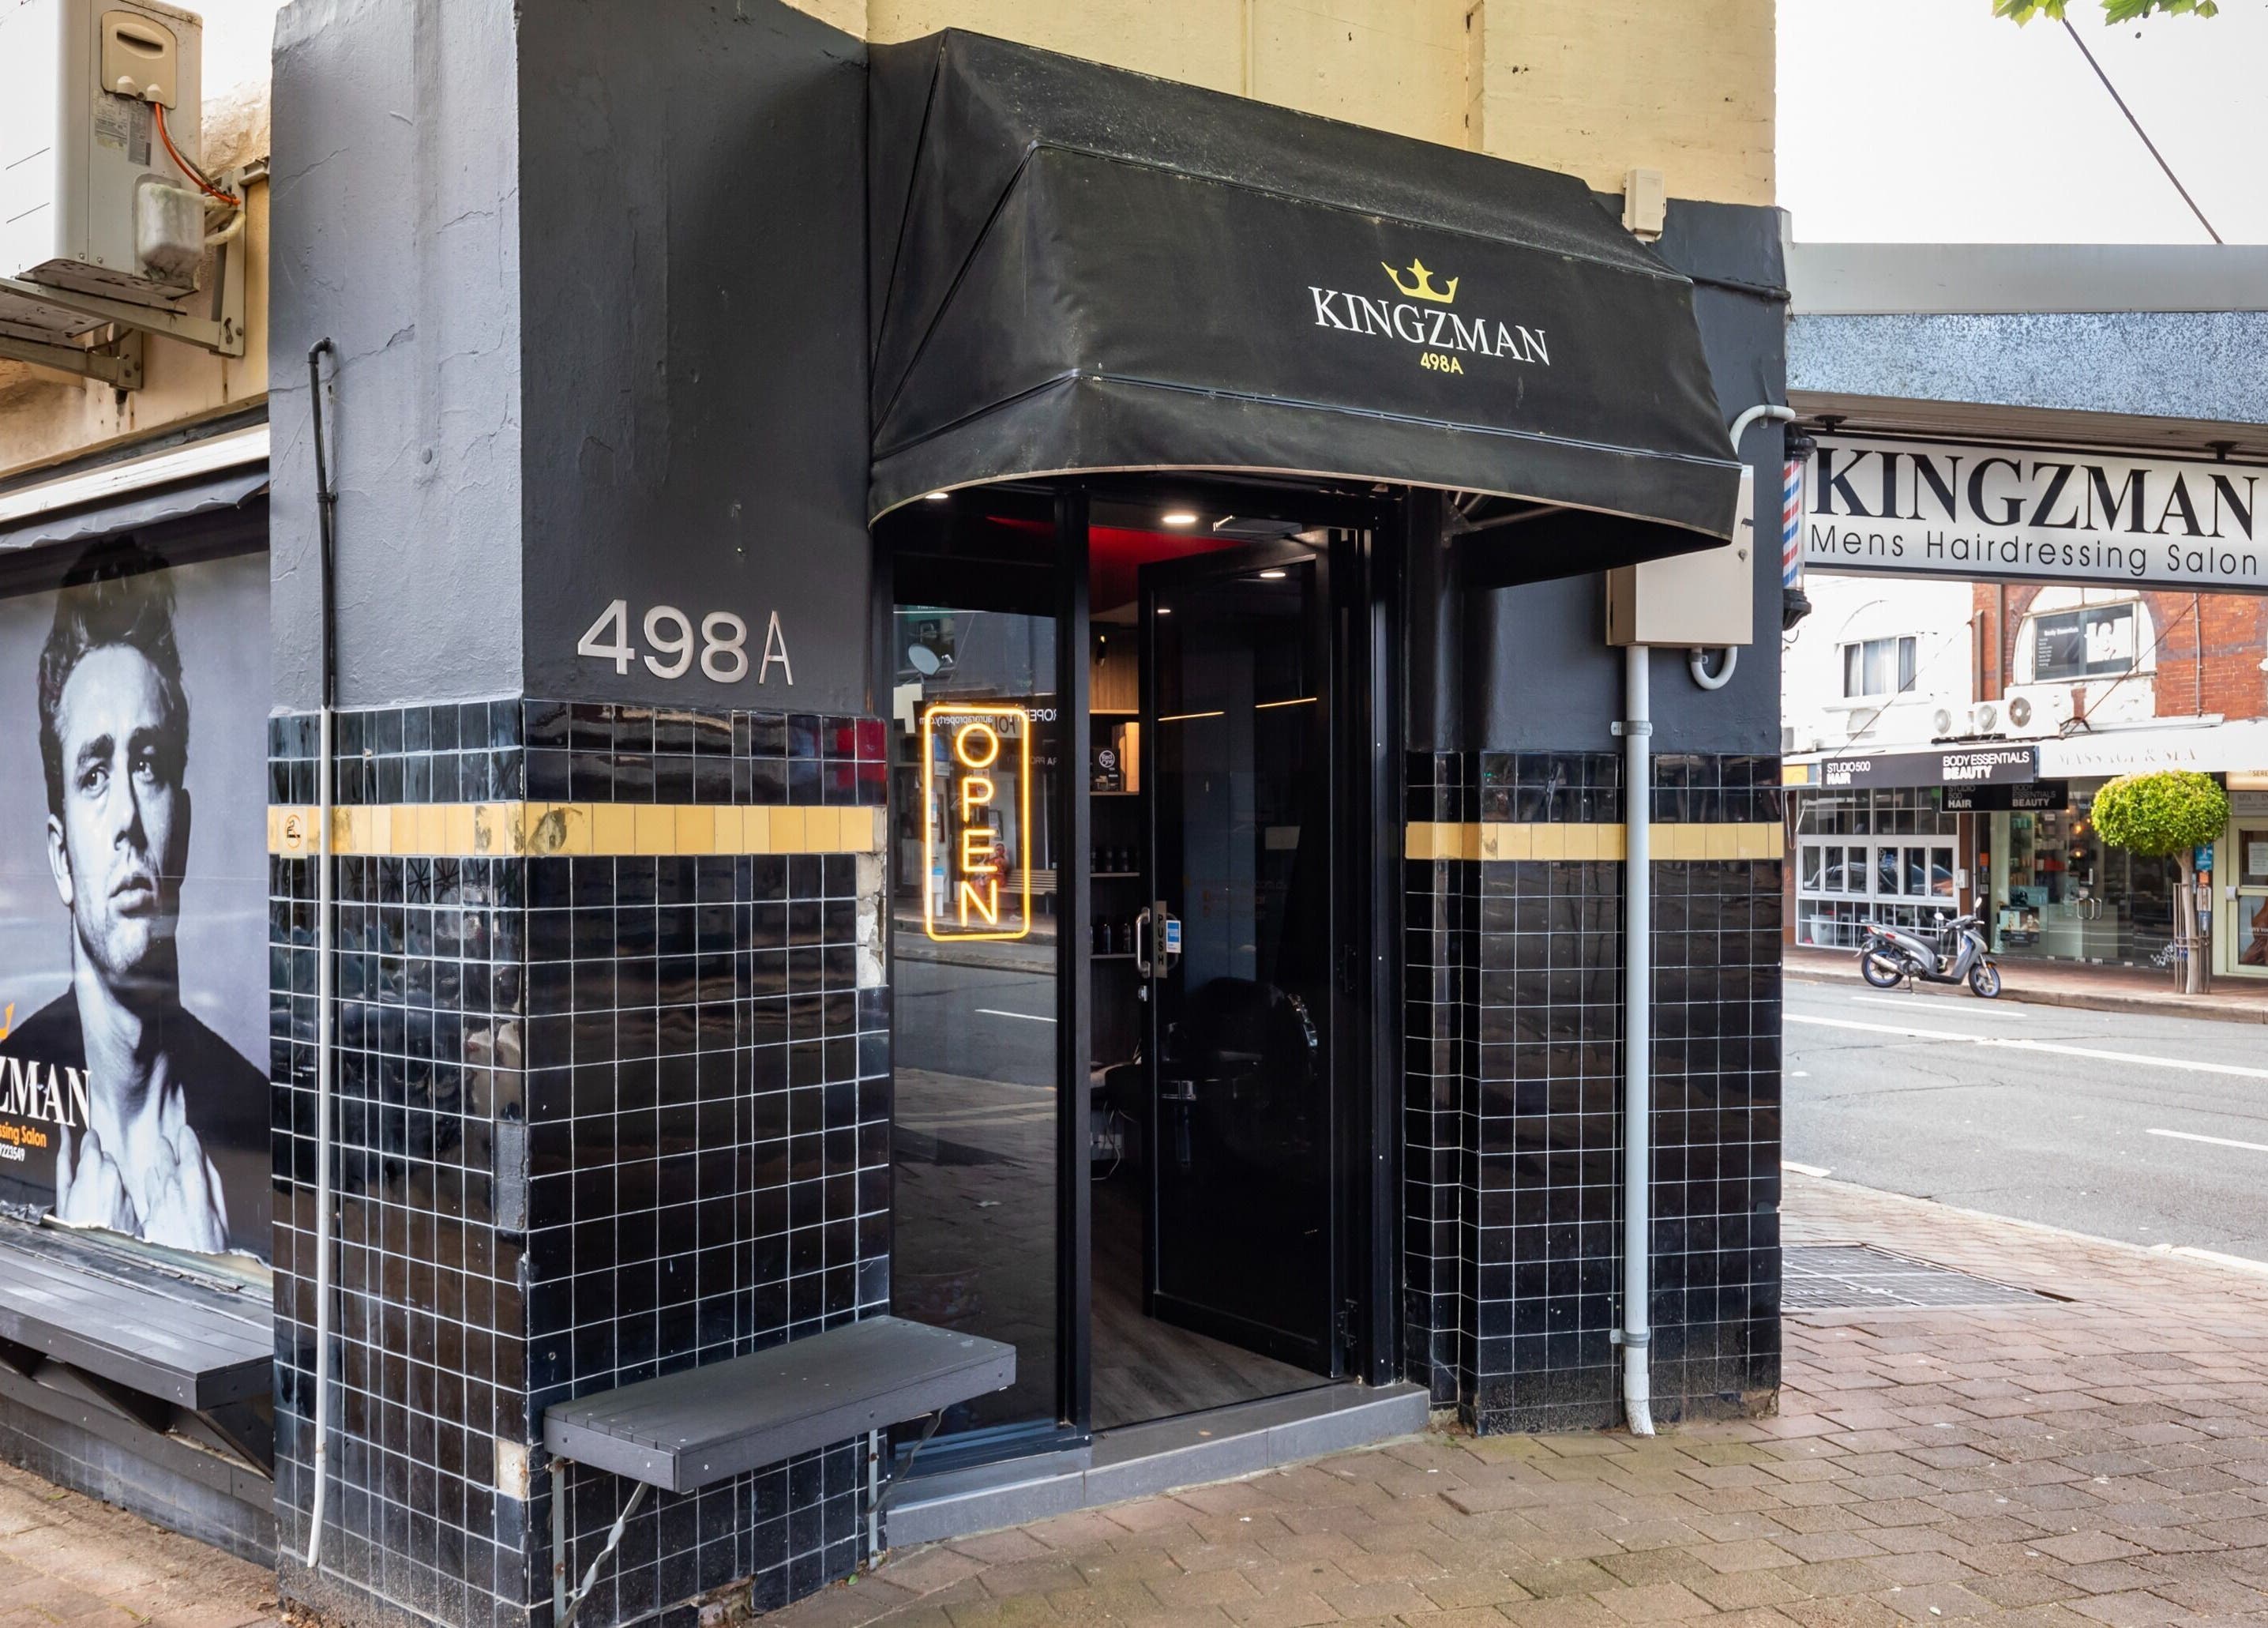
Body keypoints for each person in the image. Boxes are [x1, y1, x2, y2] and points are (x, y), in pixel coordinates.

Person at [0, 542, 264, 1254]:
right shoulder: (9, 1087)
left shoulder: (260, 1121)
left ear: (184, 830)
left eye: (145, 765)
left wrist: (214, 1269)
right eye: (93, 774)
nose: (126, 818)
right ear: (60, 858)